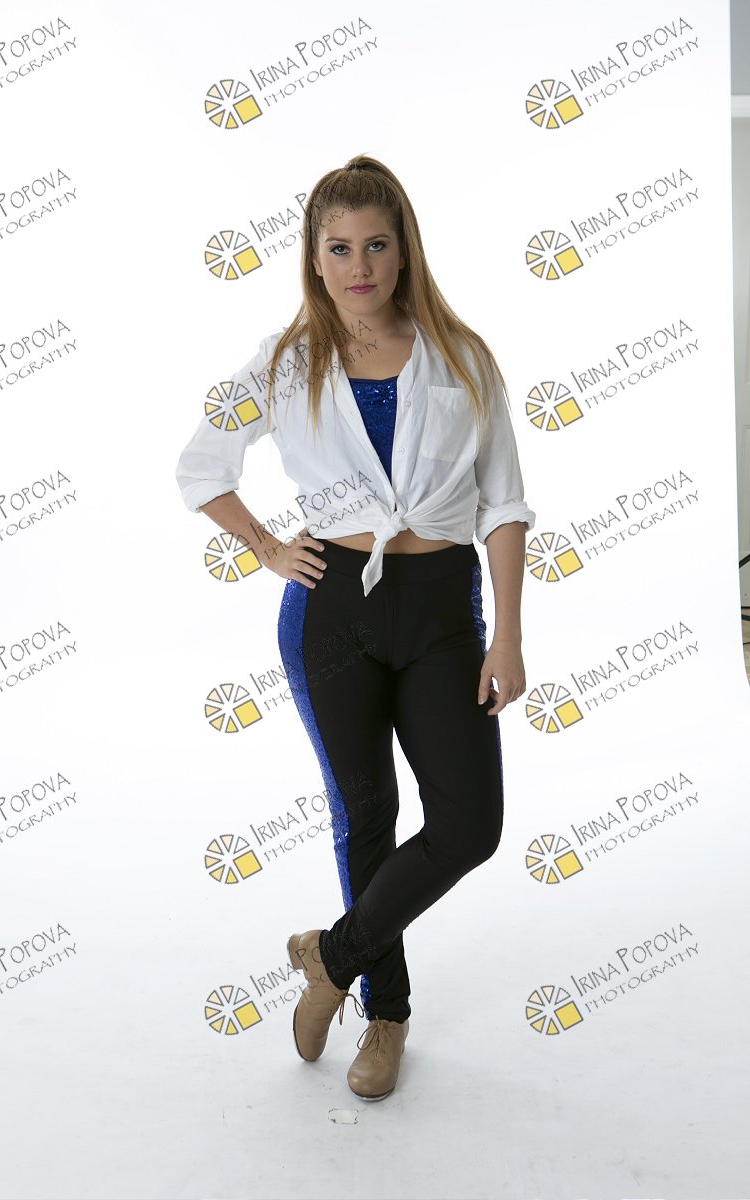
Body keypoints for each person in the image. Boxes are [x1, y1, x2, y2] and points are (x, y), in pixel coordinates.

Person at [175, 154, 536, 1102]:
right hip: (331, 605)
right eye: (338, 248)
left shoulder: (463, 356)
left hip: (442, 608)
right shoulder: (285, 362)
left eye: (377, 244)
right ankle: (388, 1013)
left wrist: (508, 635)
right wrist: (264, 545)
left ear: (404, 249)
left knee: (469, 824)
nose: (359, 266)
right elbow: (200, 465)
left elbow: (503, 502)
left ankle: (330, 958)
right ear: (313, 256)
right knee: (366, 814)